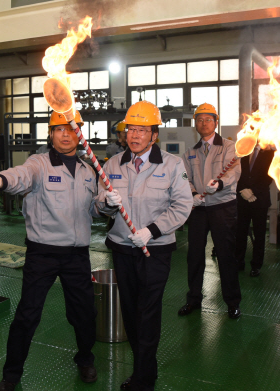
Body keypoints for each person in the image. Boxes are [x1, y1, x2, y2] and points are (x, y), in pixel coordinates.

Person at [0, 110, 99, 391]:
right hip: (42, 253)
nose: (66, 134)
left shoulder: (88, 170)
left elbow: (92, 209)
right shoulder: (39, 163)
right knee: (27, 315)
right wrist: (2, 181)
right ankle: (11, 375)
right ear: (51, 133)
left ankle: (85, 358)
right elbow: (22, 176)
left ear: (79, 134)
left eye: (71, 129)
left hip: (77, 254)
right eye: (59, 129)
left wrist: (107, 204)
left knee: (84, 313)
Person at [96, 101, 192, 391]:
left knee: (147, 313)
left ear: (154, 135)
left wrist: (152, 231)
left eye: (142, 130)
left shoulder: (172, 165)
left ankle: (143, 379)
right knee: (130, 312)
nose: (135, 135)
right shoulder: (113, 164)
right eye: (130, 129)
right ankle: (143, 370)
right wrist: (106, 204)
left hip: (156, 251)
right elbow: (99, 204)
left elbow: (183, 205)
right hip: (122, 249)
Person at [179, 103, 242, 319]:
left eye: (208, 119)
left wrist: (220, 184)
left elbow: (233, 172)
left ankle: (232, 302)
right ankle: (193, 299)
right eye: (199, 119)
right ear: (195, 124)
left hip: (222, 206)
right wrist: (192, 194)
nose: (203, 123)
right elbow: (184, 178)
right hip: (199, 209)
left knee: (226, 256)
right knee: (194, 256)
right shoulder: (190, 153)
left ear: (216, 122)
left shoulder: (228, 147)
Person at [236, 144, 274, 277]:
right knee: (240, 232)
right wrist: (242, 190)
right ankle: (239, 261)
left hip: (260, 199)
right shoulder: (243, 150)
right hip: (242, 198)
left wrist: (252, 191)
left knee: (259, 233)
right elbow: (236, 172)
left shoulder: (270, 153)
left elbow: (270, 176)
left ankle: (256, 265)